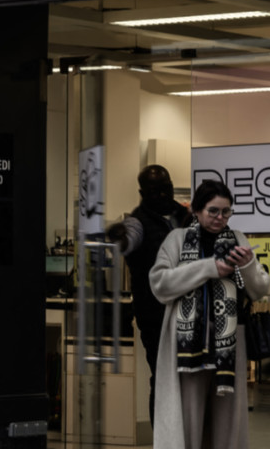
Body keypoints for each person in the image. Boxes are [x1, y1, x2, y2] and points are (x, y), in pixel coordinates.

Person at [149, 179, 270, 449]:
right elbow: (159, 284)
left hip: (229, 345)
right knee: (189, 420)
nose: (220, 218)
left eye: (226, 211)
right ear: (196, 210)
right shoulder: (177, 240)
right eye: (213, 211)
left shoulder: (238, 239)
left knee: (227, 423)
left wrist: (248, 265)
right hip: (187, 347)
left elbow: (260, 289)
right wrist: (209, 268)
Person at [109, 164, 193, 421]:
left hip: (188, 313)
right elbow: (127, 240)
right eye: (154, 191)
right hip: (155, 315)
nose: (161, 196)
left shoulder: (186, 215)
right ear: (142, 192)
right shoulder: (137, 221)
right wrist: (118, 238)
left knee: (189, 380)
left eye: (165, 189)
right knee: (164, 379)